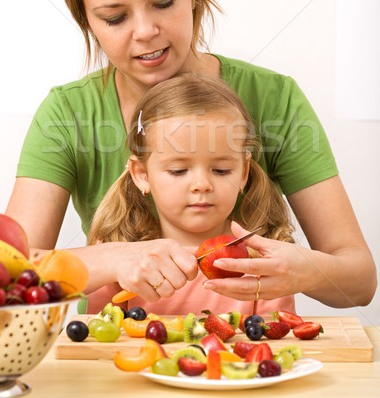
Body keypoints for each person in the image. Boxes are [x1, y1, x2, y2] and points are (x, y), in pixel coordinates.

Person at [5, 0, 376, 312]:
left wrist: (303, 270)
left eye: (163, 2)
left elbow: (360, 280)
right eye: (114, 17)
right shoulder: (67, 114)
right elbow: (10, 277)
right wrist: (111, 258)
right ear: (86, 20)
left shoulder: (275, 98)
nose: (144, 31)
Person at [86, 73, 295, 315]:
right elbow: (99, 341)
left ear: (243, 172)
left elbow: (274, 340)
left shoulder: (262, 258)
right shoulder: (120, 254)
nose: (202, 184)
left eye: (221, 170)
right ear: (142, 174)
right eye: (178, 170)